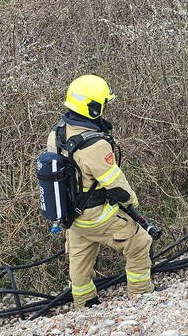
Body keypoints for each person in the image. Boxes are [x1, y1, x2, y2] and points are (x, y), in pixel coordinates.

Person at [47, 74, 154, 308]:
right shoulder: (95, 145)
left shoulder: (57, 133)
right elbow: (116, 185)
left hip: (71, 217)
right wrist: (132, 205)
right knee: (139, 241)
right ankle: (141, 293)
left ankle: (84, 302)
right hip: (96, 215)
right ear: (94, 107)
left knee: (79, 260)